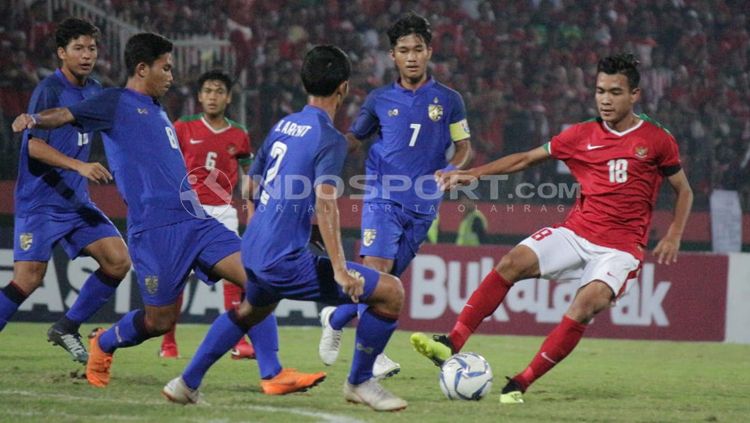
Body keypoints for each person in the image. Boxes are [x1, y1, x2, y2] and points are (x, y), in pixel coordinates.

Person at [11, 32, 324, 395]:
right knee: (159, 322)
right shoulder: (113, 101)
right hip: (155, 232)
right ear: (143, 69)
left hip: (196, 220)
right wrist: (33, 119)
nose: (172, 76)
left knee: (261, 280)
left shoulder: (159, 110)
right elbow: (63, 115)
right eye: (166, 68)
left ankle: (272, 373)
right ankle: (106, 342)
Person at [410, 53, 693, 404]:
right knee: (512, 261)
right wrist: (472, 174)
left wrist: (675, 233)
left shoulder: (656, 139)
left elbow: (684, 189)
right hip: (576, 233)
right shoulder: (580, 135)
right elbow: (526, 159)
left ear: (634, 95)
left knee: (584, 306)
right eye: (600, 91)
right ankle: (451, 341)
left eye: (615, 92)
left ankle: (521, 382)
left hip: (620, 250)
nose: (605, 99)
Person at [162, 45, 408, 412]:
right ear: (343, 88)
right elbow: (326, 203)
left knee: (250, 312)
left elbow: (250, 187)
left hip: (255, 247)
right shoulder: (331, 138)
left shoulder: (284, 125)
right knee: (390, 292)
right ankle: (359, 382)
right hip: (283, 259)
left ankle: (185, 383)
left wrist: (286, 225)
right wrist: (340, 269)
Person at [317, 12, 472, 379]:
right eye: (404, 50)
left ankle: (335, 316)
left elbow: (464, 147)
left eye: (418, 49)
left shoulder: (449, 100)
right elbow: (356, 138)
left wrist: (453, 169)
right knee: (379, 272)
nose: (412, 56)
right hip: (382, 194)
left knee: (385, 287)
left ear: (430, 51)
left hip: (423, 205)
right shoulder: (379, 99)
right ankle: (370, 361)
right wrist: (328, 147)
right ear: (393, 56)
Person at [0, 17, 130, 365]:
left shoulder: (97, 88)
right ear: (62, 53)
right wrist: (79, 166)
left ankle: (67, 327)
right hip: (40, 203)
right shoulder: (49, 89)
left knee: (118, 261)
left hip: (76, 202)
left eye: (91, 48)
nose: (87, 55)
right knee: (28, 280)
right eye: (79, 48)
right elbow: (33, 148)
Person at [159, 70, 257, 360]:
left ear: (228, 97)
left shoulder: (239, 134)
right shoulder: (182, 127)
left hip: (223, 212)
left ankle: (237, 342)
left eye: (219, 91)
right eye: (208, 91)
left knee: (236, 277)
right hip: (188, 212)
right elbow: (166, 164)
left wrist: (252, 209)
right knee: (177, 279)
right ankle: (168, 343)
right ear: (200, 96)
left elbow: (249, 175)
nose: (213, 97)